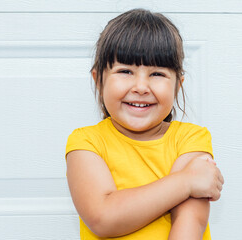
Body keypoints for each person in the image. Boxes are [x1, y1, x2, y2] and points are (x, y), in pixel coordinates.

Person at [65, 8, 224, 240]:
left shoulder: (191, 139)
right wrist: (188, 181)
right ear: (99, 80)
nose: (141, 87)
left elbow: (191, 220)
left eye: (157, 74)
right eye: (125, 71)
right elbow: (103, 218)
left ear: (177, 85)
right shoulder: (86, 143)